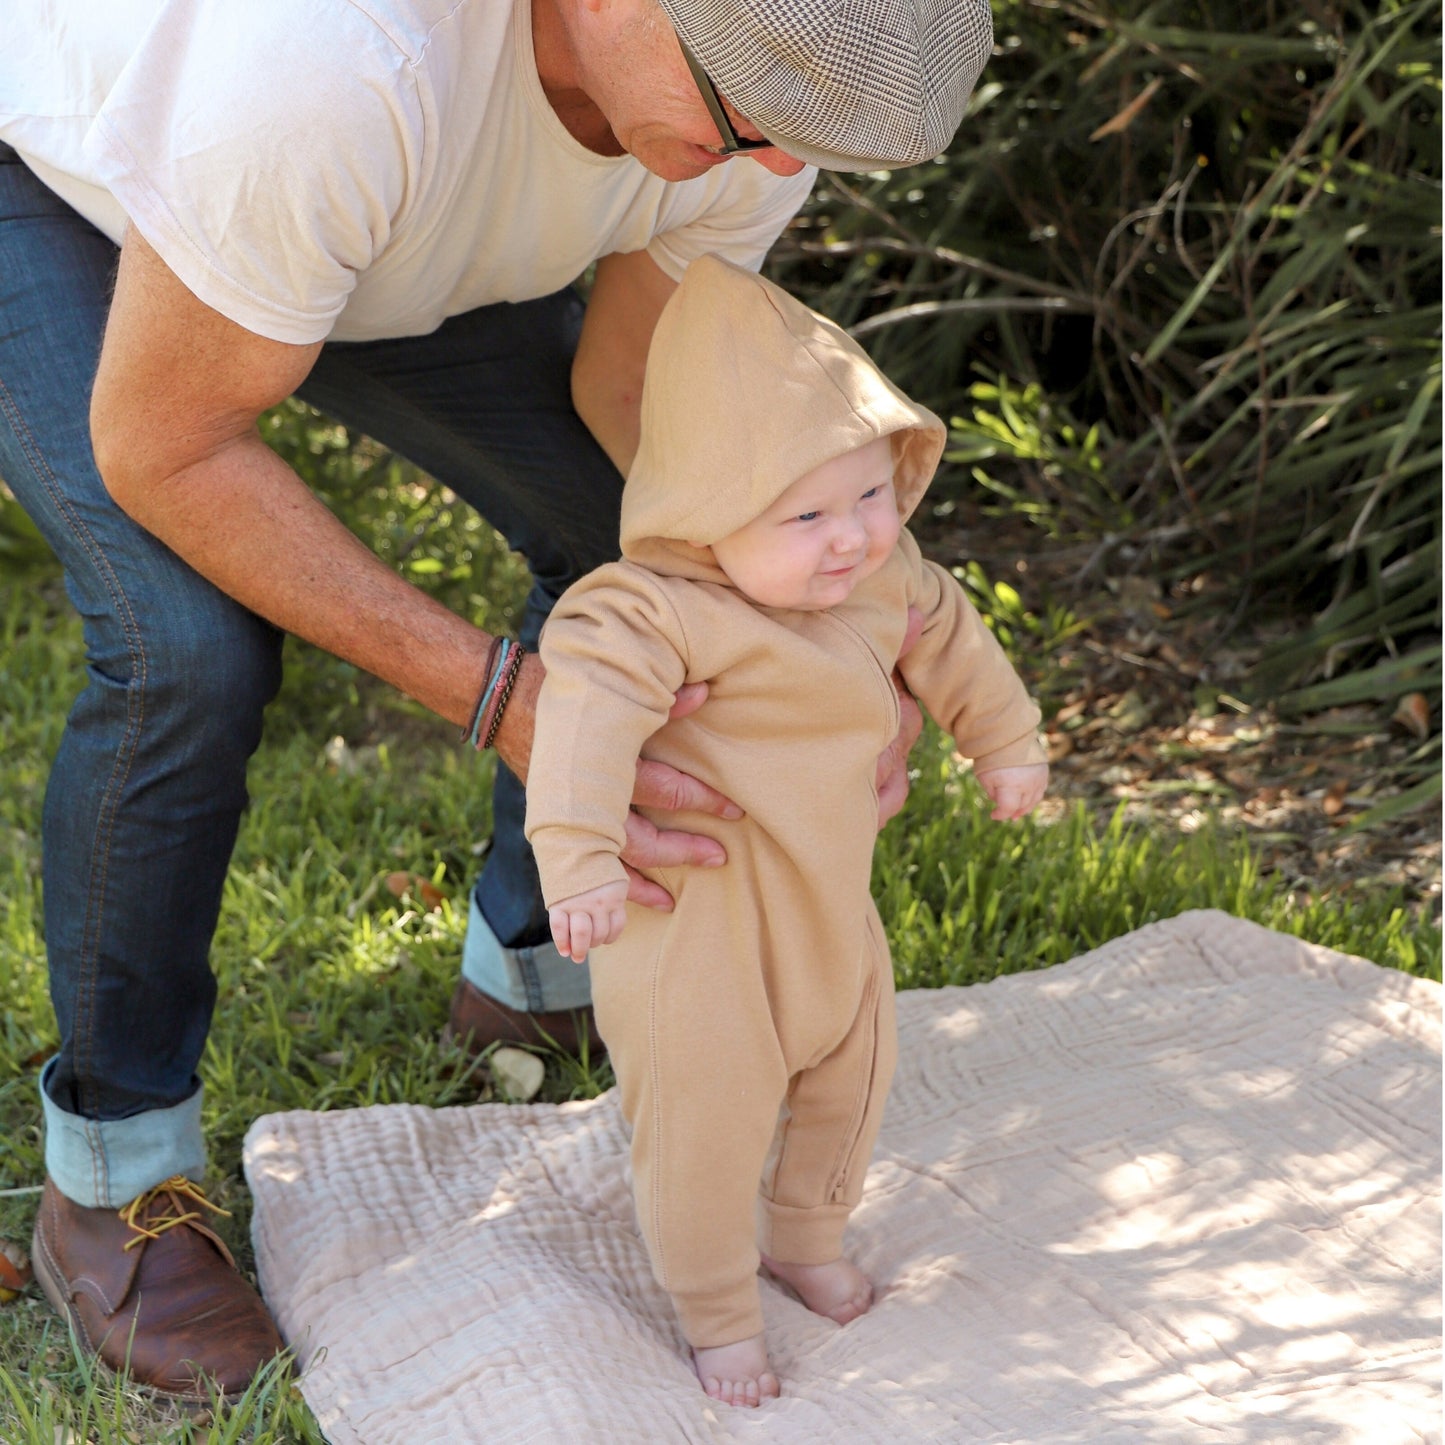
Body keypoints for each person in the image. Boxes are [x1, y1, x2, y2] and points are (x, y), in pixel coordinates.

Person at [0, 0, 996, 1402]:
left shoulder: (760, 95)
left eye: (800, 138)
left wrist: (829, 631)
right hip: (66, 182)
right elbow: (167, 449)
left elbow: (642, 408)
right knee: (185, 647)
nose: (772, 172)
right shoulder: (333, 68)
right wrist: (508, 700)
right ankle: (114, 1184)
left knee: (634, 545)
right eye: (741, 116)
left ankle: (533, 978)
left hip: (350, 230)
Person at [526, 254, 1049, 1407]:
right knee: (703, 1129)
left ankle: (804, 1238)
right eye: (805, 513)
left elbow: (951, 633)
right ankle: (714, 1308)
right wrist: (578, 856)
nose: (851, 536)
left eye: (869, 492)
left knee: (849, 1078)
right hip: (693, 931)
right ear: (706, 511)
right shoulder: (652, 608)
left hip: (828, 908)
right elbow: (581, 720)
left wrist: (1001, 739)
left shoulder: (876, 579)